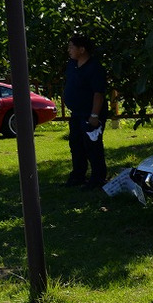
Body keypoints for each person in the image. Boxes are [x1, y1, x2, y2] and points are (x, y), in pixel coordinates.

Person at [63, 34, 108, 188]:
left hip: (91, 114)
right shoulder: (72, 64)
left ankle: (97, 179)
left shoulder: (94, 67)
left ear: (82, 49)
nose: (69, 50)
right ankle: (78, 176)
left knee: (92, 147)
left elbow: (98, 94)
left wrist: (94, 116)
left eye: (71, 47)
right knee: (76, 144)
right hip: (76, 113)